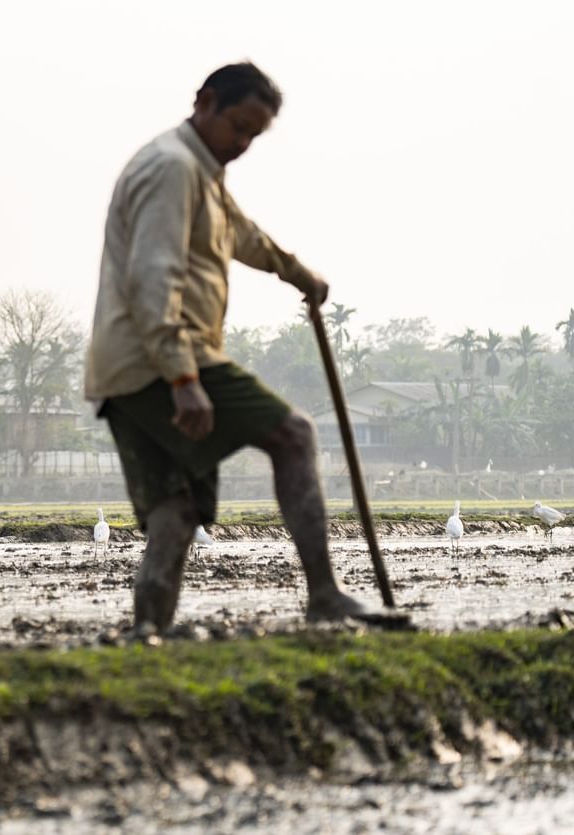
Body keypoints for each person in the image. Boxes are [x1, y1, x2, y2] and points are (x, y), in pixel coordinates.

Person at [84, 62, 377, 635]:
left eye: (253, 136)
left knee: (178, 504)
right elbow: (153, 278)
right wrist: (184, 379)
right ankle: (324, 595)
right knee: (294, 435)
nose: (242, 145)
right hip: (159, 357)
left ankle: (150, 632)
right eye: (238, 127)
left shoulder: (202, 170)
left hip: (129, 366)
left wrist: (297, 274)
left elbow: (242, 235)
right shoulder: (172, 168)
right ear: (206, 101)